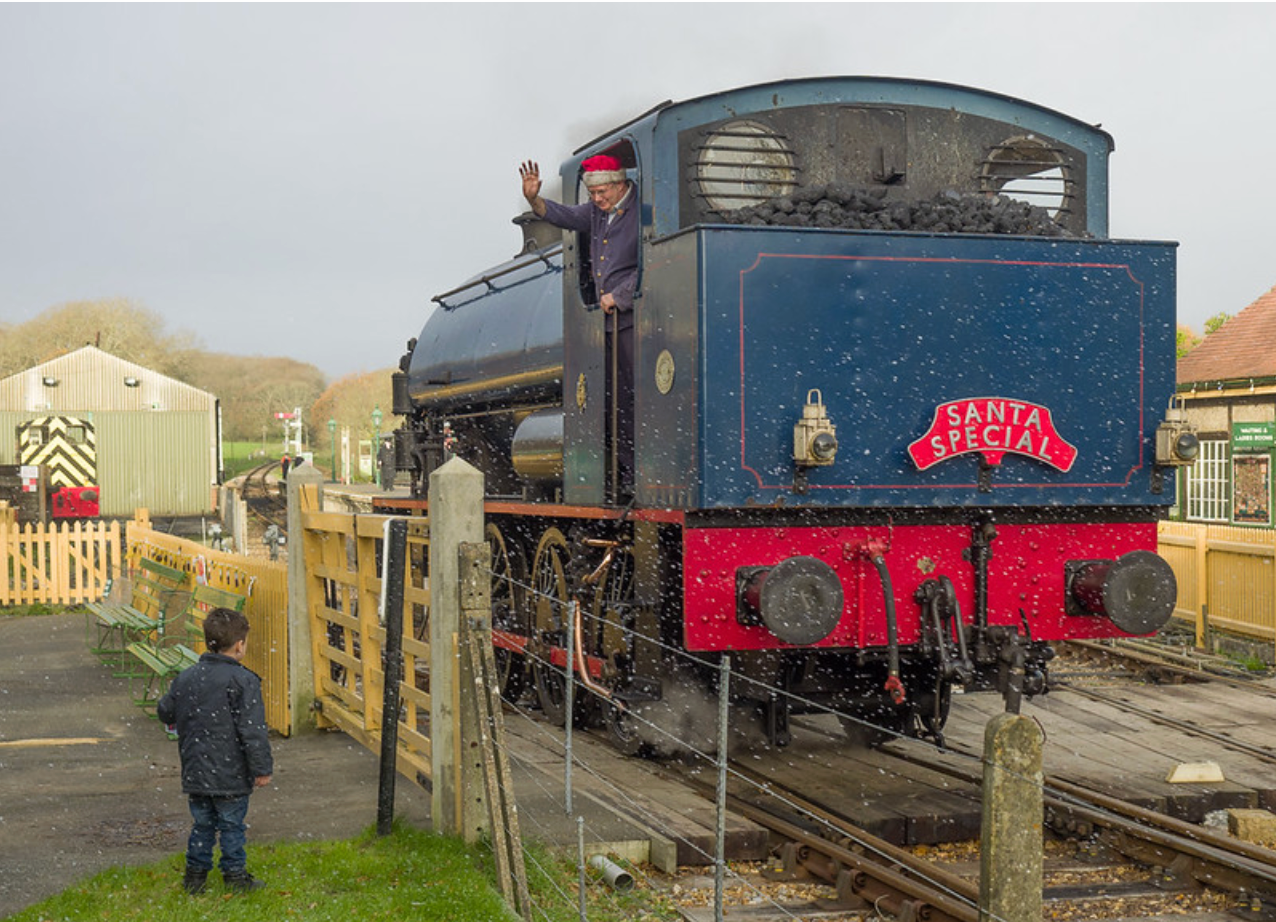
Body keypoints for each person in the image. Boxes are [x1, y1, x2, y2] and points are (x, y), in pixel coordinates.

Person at [520, 154, 638, 497]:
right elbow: (565, 216)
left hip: (636, 319)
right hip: (609, 323)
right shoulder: (597, 212)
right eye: (592, 194)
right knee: (616, 403)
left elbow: (654, 259)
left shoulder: (642, 212)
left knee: (633, 399)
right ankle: (626, 473)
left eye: (602, 192)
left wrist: (621, 294)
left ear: (620, 184)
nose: (597, 200)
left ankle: (639, 473)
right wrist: (534, 200)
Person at [157, 607, 274, 894]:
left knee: (202, 824)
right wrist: (261, 768)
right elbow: (252, 730)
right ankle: (235, 875)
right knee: (232, 825)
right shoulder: (243, 681)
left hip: (196, 769)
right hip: (231, 771)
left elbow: (165, 711)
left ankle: (195, 877)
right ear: (239, 645)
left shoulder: (187, 677)